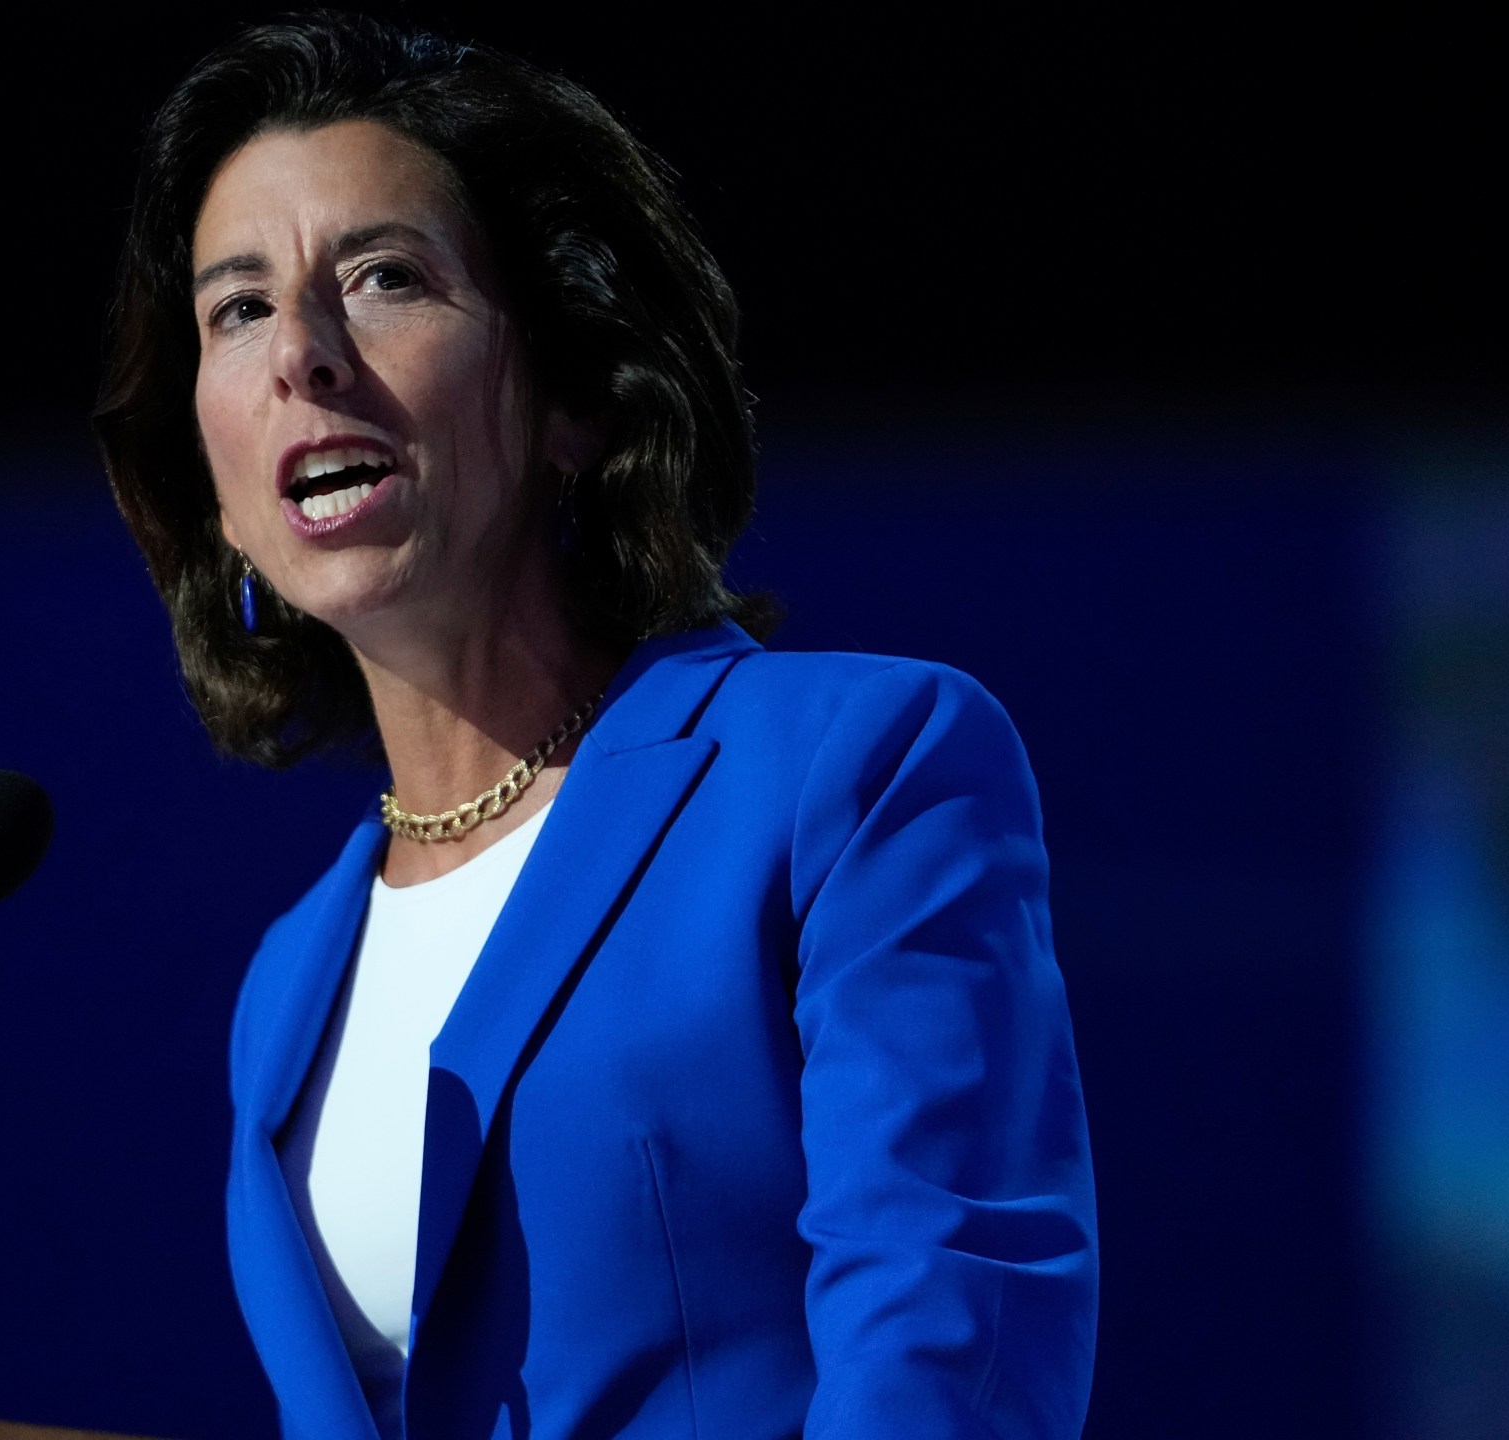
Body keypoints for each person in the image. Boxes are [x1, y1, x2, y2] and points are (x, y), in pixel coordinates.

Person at [93, 14, 1097, 1439]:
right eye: (238, 309)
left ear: (571, 396)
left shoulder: (854, 769)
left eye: (384, 278)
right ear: (222, 490)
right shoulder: (288, 986)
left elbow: (948, 1335)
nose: (300, 355)